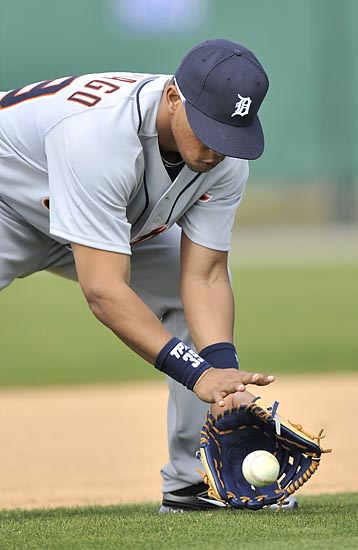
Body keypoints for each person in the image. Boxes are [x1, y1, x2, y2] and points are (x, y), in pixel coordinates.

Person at [0, 38, 277, 512]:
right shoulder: (98, 136)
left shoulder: (225, 156)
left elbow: (205, 276)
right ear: (173, 97)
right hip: (10, 206)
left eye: (230, 135)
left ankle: (197, 480)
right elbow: (104, 291)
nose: (216, 150)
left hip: (100, 219)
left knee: (180, 293)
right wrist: (195, 374)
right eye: (208, 130)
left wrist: (220, 372)